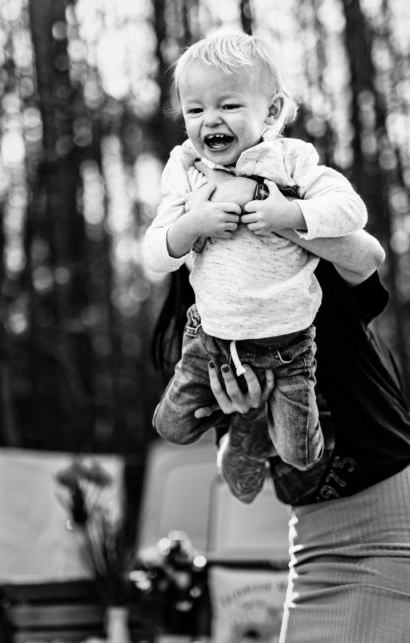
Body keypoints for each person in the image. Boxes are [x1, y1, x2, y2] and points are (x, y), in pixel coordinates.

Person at [151, 198, 410, 641]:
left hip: (393, 528)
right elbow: (242, 483)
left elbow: (369, 257)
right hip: (313, 546)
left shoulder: (309, 272)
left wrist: (275, 220)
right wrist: (248, 418)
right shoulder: (212, 333)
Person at [143, 31, 370, 477]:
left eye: (228, 106)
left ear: (271, 111)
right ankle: (248, 429)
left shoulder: (293, 161)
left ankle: (262, 434)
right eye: (195, 109)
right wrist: (194, 224)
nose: (210, 120)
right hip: (212, 338)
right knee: (170, 425)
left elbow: (352, 211)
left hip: (288, 343)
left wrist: (288, 211)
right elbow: (155, 255)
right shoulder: (187, 170)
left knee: (302, 455)